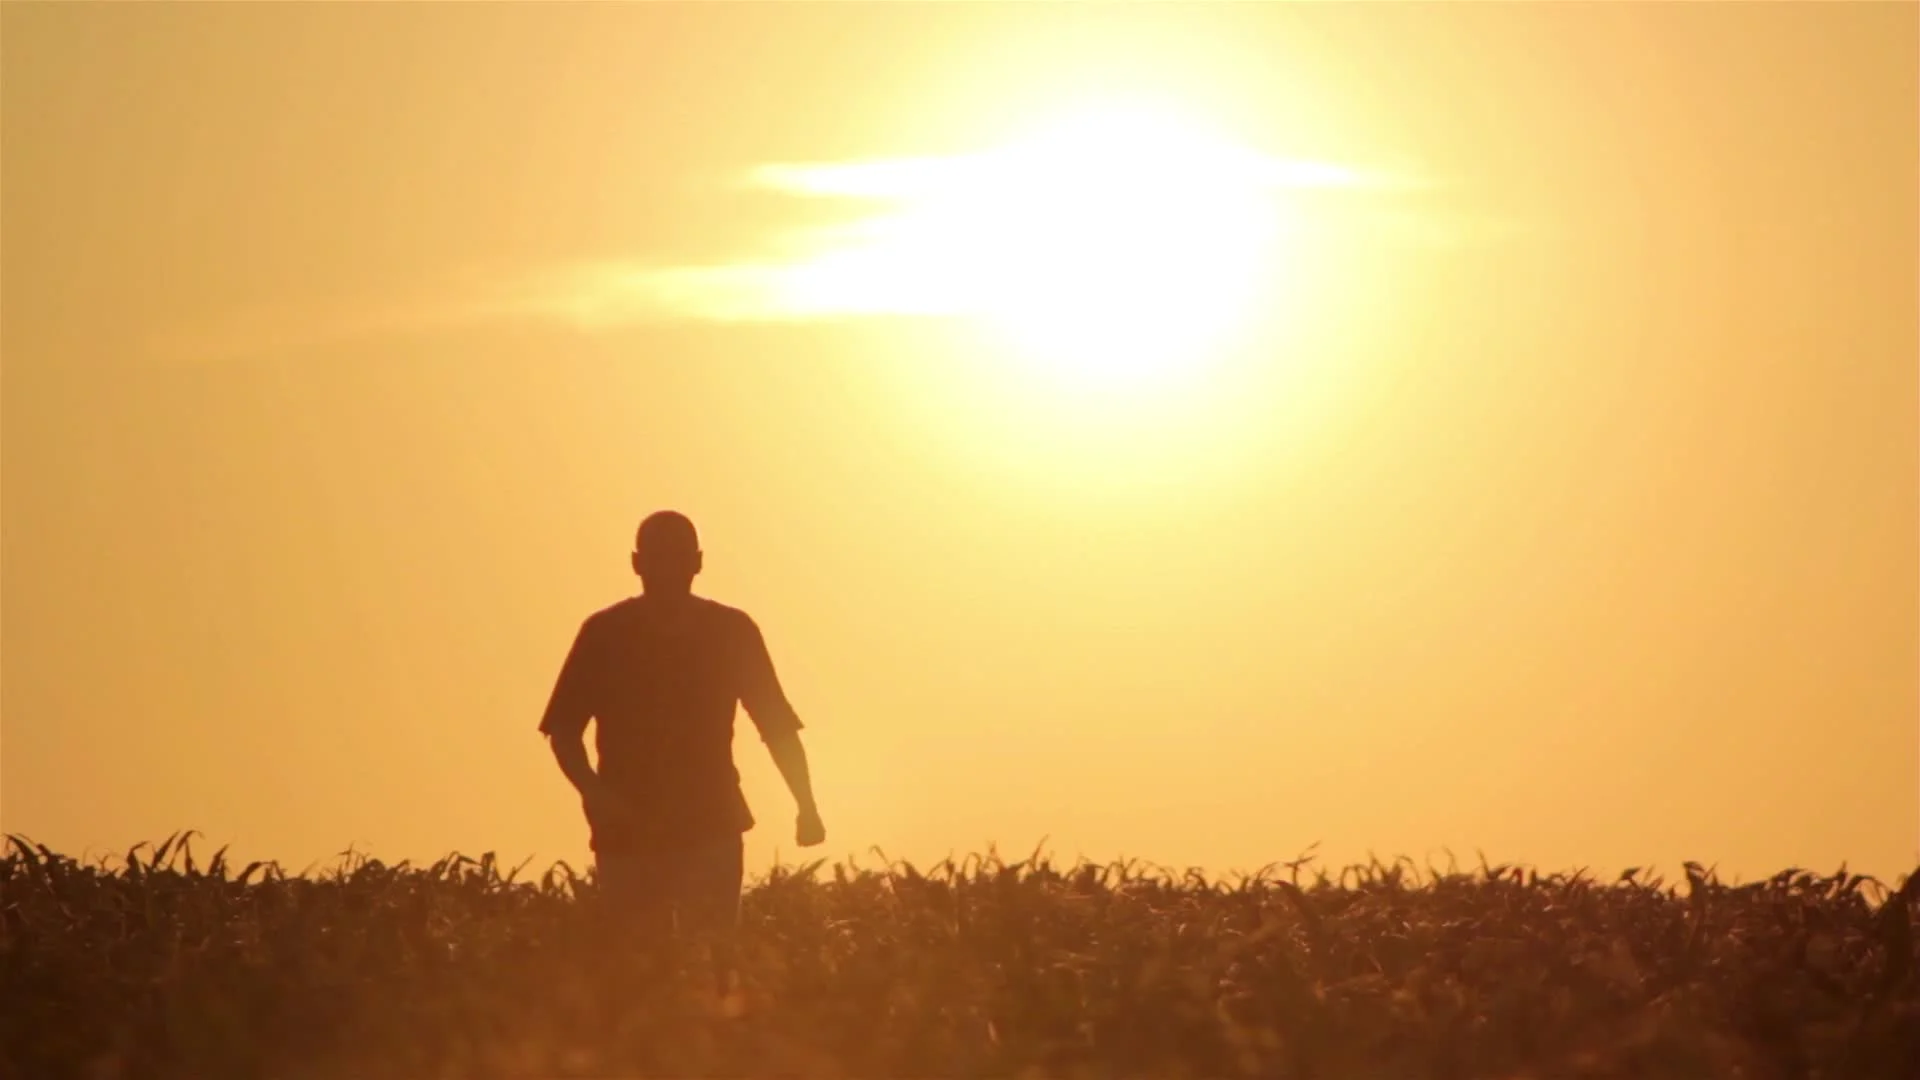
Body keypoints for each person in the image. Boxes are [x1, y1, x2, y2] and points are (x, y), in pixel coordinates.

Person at [539, 510, 825, 993]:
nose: (667, 570)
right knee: (631, 973)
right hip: (628, 828)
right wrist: (594, 793)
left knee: (715, 966)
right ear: (636, 563)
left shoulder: (732, 631)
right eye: (657, 559)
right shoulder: (605, 633)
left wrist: (807, 806)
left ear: (696, 563)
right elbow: (563, 731)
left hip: (709, 823)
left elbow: (776, 727)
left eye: (675, 558)